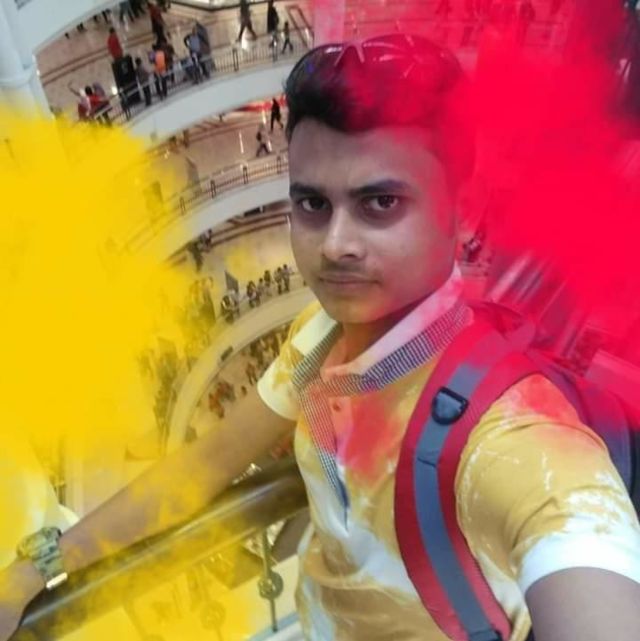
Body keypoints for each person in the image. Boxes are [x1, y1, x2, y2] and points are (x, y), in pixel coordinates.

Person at [2, 34, 640, 641]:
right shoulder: (320, 337)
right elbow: (204, 466)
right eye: (312, 205)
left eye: (380, 204)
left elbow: (579, 545)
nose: (335, 244)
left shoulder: (515, 434)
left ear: (461, 210)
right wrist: (41, 564)